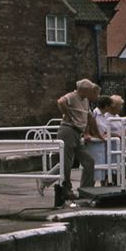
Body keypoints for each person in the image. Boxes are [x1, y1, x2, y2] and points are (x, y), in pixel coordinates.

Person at [41, 78, 98, 206]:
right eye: (90, 90)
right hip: (68, 130)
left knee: (88, 161)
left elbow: (87, 117)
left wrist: (87, 132)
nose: (91, 93)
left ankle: (85, 190)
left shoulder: (85, 100)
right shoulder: (73, 96)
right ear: (84, 90)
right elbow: (61, 102)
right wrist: (68, 115)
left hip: (77, 133)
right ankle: (66, 188)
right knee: (67, 163)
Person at [87, 95, 112, 186]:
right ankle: (89, 188)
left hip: (102, 144)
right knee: (94, 168)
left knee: (102, 168)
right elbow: (91, 127)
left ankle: (103, 188)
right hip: (94, 144)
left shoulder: (105, 116)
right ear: (106, 106)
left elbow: (105, 129)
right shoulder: (95, 114)